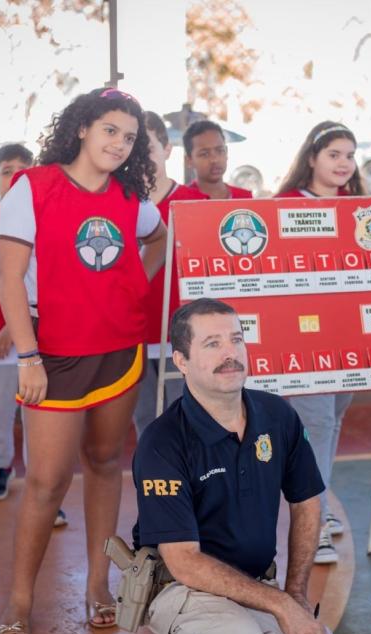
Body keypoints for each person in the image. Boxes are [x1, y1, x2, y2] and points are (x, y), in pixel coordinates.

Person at [0, 88, 167, 634]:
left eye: (130, 137)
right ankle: (20, 601)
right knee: (46, 482)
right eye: (110, 130)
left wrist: (133, 284)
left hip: (119, 349)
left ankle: (98, 585)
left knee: (105, 462)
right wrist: (28, 355)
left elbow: (159, 239)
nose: (119, 143)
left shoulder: (131, 197)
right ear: (82, 129)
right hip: (54, 354)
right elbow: (8, 278)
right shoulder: (33, 187)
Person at [133, 298, 330, 634]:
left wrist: (295, 594)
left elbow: (306, 501)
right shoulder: (162, 442)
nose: (230, 353)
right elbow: (184, 562)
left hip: (257, 586)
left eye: (236, 339)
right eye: (213, 344)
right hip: (183, 589)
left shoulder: (277, 415)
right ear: (181, 361)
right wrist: (281, 605)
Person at [0, 142, 68, 526]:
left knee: (40, 413)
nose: (16, 176)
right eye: (7, 170)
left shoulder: (49, 215)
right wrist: (10, 318)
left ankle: (43, 486)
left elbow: (53, 277)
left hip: (40, 331)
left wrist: (16, 324)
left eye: (24, 169)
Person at [275, 120, 364, 564]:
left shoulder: (361, 209)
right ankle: (314, 523)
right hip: (304, 334)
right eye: (334, 154)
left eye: (349, 155)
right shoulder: (285, 205)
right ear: (311, 158)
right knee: (318, 424)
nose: (343, 163)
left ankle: (321, 503)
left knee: (332, 418)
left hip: (347, 332)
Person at [132, 112, 207, 439]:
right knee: (146, 422)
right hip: (133, 333)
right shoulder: (118, 203)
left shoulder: (195, 204)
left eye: (147, 147)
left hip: (182, 334)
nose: (139, 157)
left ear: (167, 149)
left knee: (189, 422)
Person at [183, 120, 253, 199]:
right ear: (189, 160)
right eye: (204, 154)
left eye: (220, 151)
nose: (214, 160)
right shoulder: (182, 199)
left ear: (226, 152)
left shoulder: (244, 198)